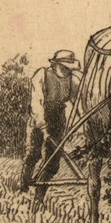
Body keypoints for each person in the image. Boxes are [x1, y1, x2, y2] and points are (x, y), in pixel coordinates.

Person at [20, 49, 81, 208]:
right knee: (33, 154)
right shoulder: (42, 75)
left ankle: (39, 197)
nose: (67, 71)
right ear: (55, 65)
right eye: (64, 67)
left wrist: (81, 124)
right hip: (39, 119)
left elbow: (78, 105)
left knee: (52, 162)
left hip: (58, 120)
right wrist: (43, 129)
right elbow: (36, 104)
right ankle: (24, 186)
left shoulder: (72, 81)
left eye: (69, 68)